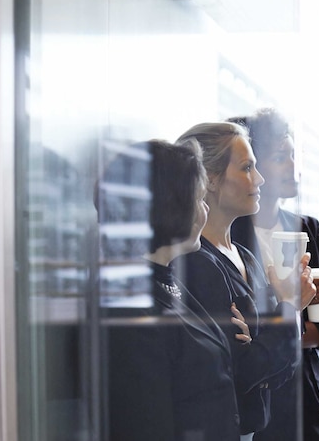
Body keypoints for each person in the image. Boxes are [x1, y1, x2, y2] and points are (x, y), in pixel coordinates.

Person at [100, 139, 251, 440]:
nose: (205, 209)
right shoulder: (131, 309)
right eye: (198, 199)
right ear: (172, 207)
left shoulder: (165, 281)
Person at [174, 122, 317, 440]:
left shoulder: (245, 256)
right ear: (211, 180)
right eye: (247, 167)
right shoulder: (194, 263)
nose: (261, 179)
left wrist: (265, 337)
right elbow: (242, 370)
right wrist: (289, 307)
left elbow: (276, 367)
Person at [229, 109, 319, 441]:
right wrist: (294, 316)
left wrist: (318, 313)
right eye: (281, 157)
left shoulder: (307, 228)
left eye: (294, 155)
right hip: (256, 401)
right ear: (253, 165)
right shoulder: (231, 236)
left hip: (303, 399)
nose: (294, 168)